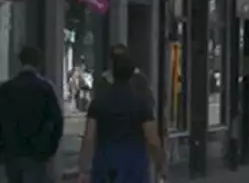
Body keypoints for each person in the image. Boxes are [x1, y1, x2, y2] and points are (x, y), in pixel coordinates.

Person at [76, 46, 168, 183]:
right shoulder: (141, 103)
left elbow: (89, 137)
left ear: (113, 72)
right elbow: (152, 138)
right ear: (132, 74)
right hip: (133, 164)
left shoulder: (99, 102)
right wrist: (162, 167)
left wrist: (83, 169)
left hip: (105, 162)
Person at [0, 46, 64, 182]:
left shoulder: (6, 88)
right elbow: (57, 120)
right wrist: (49, 149)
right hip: (36, 154)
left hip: (12, 152)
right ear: (39, 63)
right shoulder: (45, 88)